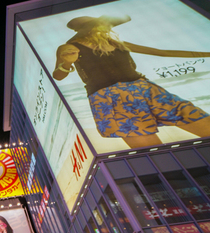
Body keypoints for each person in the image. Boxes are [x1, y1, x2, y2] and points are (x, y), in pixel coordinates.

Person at [52, 15, 210, 148]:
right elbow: (58, 75)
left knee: (192, 115)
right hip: (112, 97)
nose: (107, 28)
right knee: (153, 150)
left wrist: (207, 54)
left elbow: (162, 53)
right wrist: (66, 63)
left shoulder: (116, 44)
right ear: (91, 29)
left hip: (145, 89)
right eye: (103, 25)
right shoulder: (69, 47)